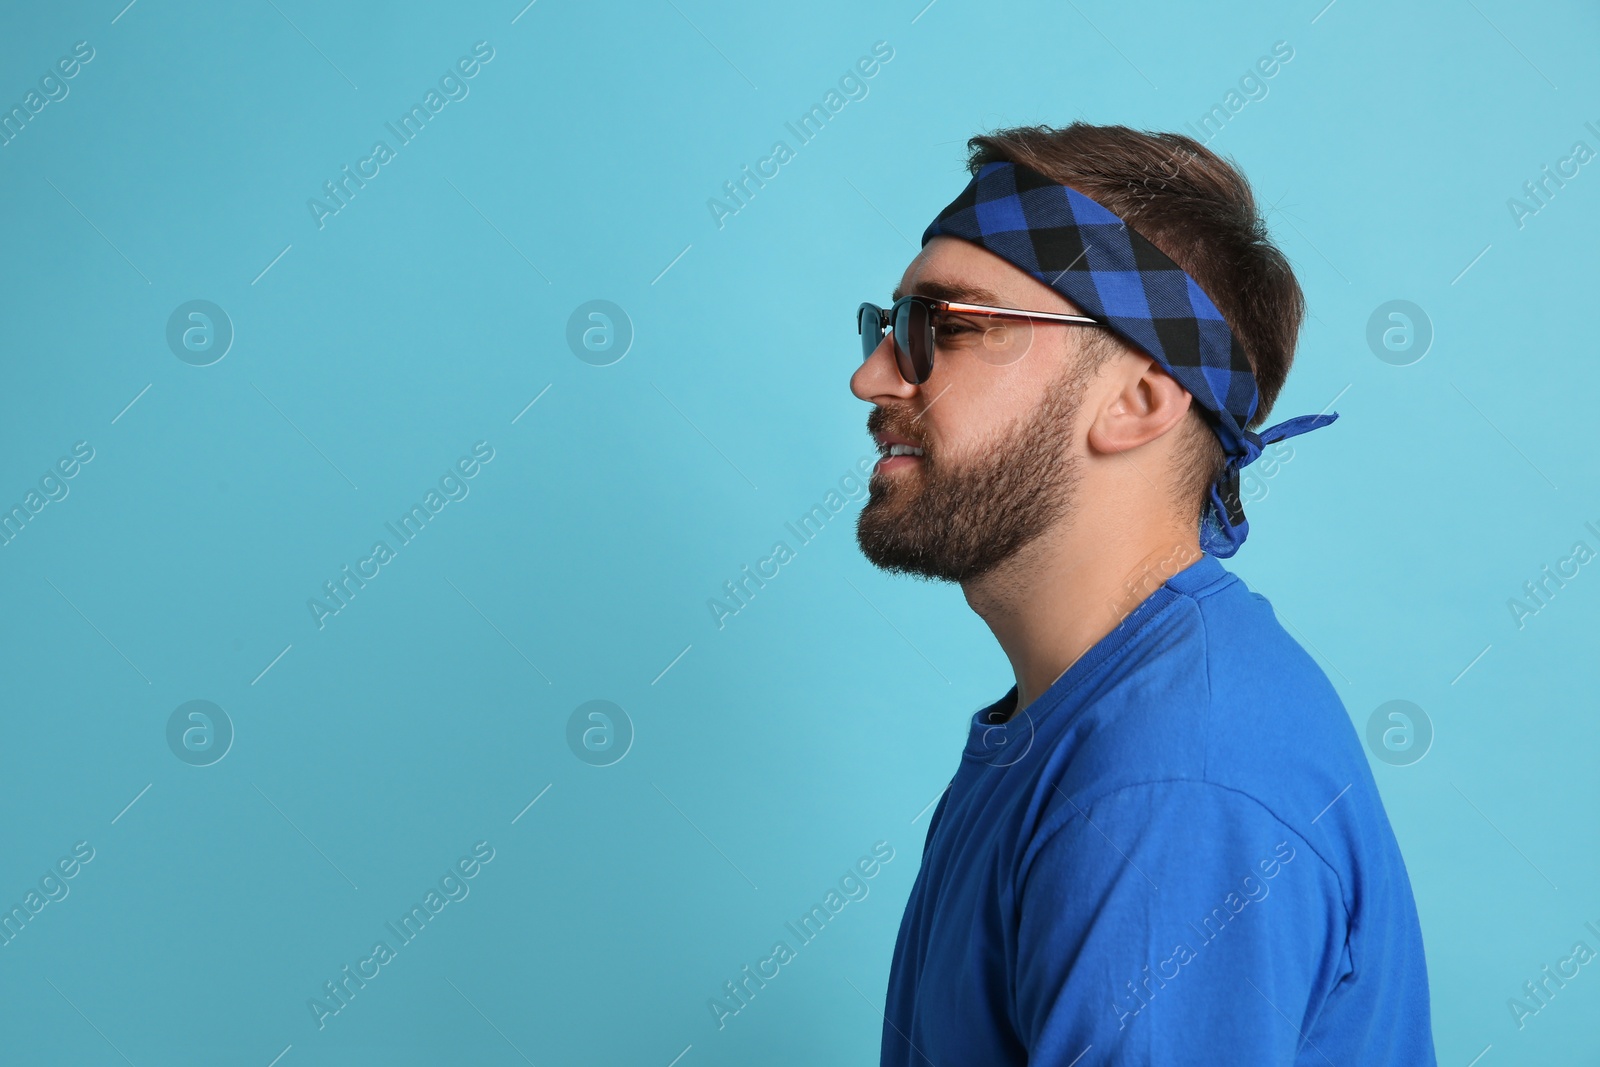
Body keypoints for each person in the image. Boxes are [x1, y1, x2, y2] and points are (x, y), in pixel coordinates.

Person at [851, 122, 1436, 1065]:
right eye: (887, 326)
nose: (872, 374)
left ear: (1137, 400)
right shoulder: (1086, 724)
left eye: (945, 327)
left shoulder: (1169, 785)